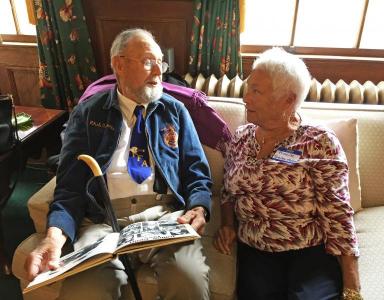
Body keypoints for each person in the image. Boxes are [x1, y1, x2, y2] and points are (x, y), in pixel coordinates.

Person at [24, 28, 212, 300]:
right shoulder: (88, 113)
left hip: (165, 215)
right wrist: (54, 236)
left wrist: (199, 206)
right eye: (149, 61)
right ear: (119, 65)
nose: (159, 72)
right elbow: (69, 186)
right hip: (102, 220)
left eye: (162, 62)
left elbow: (197, 171)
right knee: (84, 292)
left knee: (188, 280)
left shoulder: (175, 111)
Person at [213, 48, 362, 300]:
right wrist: (227, 224)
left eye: (256, 92)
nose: (246, 98)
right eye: (248, 89)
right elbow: (228, 192)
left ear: (288, 100)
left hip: (309, 251)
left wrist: (352, 287)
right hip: (256, 251)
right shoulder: (241, 138)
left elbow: (338, 213)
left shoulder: (318, 141)